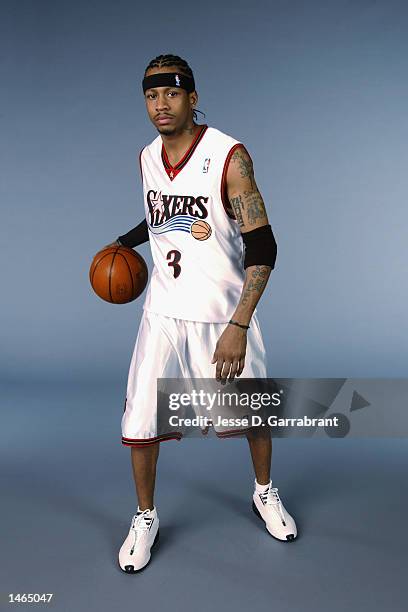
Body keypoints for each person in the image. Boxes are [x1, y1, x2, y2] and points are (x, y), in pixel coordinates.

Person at [105, 54, 298, 574]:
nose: (160, 105)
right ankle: (146, 516)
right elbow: (159, 214)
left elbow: (264, 247)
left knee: (254, 415)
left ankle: (264, 492)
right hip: (164, 314)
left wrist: (238, 326)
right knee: (141, 419)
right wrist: (122, 243)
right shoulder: (147, 156)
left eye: (171, 93)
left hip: (222, 315)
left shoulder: (229, 156)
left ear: (192, 97)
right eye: (150, 95)